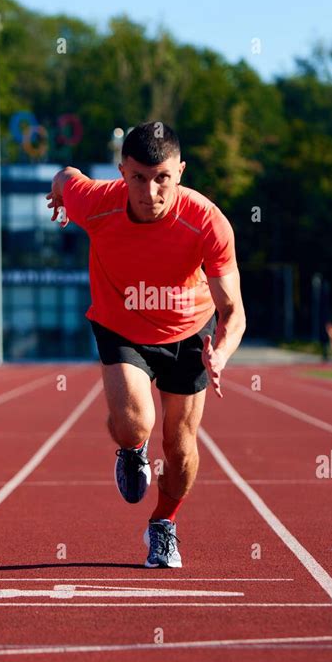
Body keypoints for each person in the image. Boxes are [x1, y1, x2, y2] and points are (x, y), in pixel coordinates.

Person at [46, 122, 246, 568]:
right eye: (138, 177)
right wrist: (58, 192)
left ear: (180, 172)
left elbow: (232, 310)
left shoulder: (208, 223)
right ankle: (131, 450)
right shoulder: (96, 202)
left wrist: (222, 353)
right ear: (122, 172)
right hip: (121, 326)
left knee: (179, 447)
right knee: (136, 422)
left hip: (189, 333)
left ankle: (163, 524)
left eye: (163, 179)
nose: (151, 191)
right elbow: (66, 175)